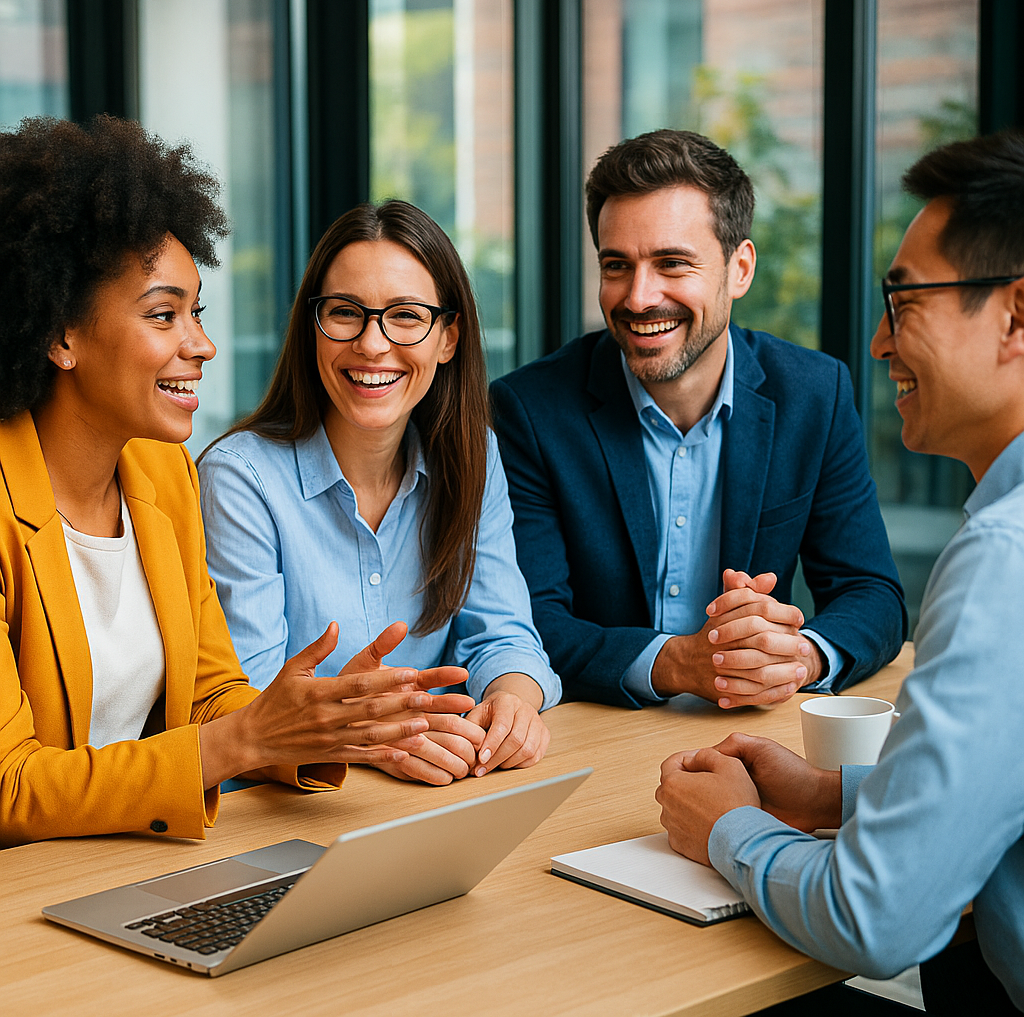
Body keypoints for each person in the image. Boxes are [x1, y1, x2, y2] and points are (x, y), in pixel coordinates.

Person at [0, 116, 475, 849]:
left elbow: (210, 696)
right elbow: (10, 785)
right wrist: (241, 744)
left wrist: (322, 726)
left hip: (128, 863)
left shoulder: (161, 474)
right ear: (60, 333)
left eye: (197, 312)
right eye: (164, 315)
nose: (202, 344)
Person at [657, 130, 1024, 1014]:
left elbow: (876, 919)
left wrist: (729, 832)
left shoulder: (1004, 560)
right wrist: (833, 794)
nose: (878, 342)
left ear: (1016, 316)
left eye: (905, 302)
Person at [491, 129, 906, 711]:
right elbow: (529, 621)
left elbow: (873, 592)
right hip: (597, 733)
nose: (638, 298)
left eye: (671, 264)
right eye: (617, 266)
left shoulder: (815, 393)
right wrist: (677, 663)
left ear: (739, 268)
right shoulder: (529, 409)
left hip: (757, 729)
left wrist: (799, 654)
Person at [198, 200, 559, 787]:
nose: (372, 344)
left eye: (406, 317)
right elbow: (251, 701)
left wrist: (513, 700)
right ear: (312, 327)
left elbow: (504, 632)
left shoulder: (474, 457)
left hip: (434, 789)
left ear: (447, 338)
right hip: (282, 809)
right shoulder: (240, 478)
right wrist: (383, 734)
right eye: (345, 313)